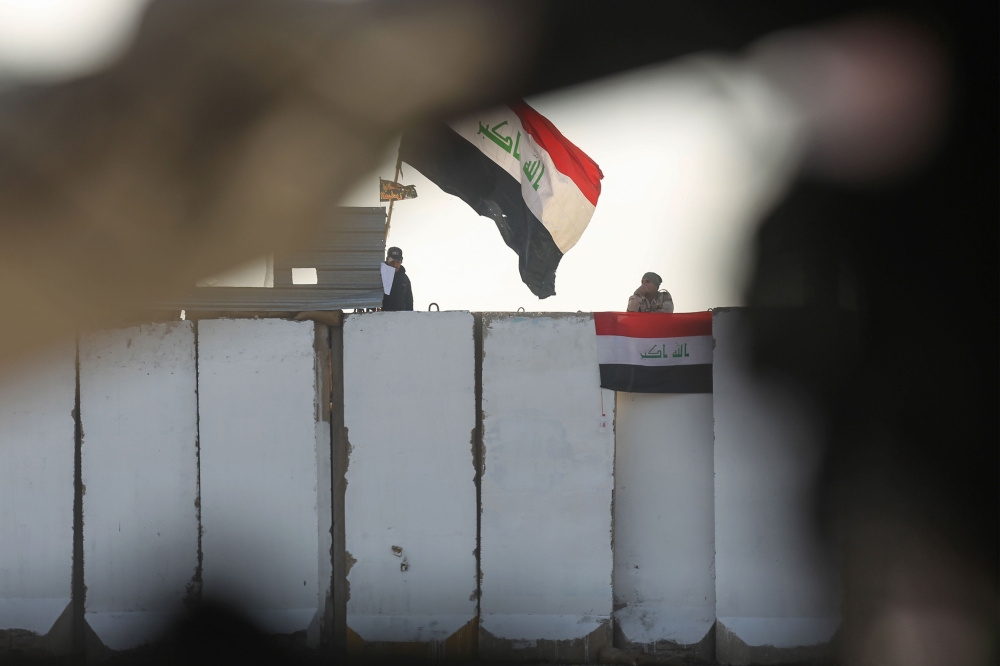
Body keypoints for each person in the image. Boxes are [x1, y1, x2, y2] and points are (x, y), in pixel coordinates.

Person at [382, 246, 413, 311]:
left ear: (401, 261)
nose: (395, 265)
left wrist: (410, 315)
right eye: (392, 261)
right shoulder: (380, 275)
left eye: (397, 262)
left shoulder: (405, 279)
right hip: (381, 315)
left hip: (401, 316)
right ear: (387, 260)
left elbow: (409, 301)